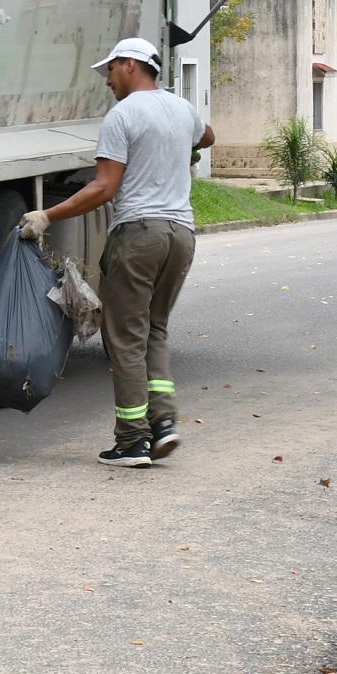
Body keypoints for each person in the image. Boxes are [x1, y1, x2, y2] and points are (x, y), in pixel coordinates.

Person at [21, 37, 211, 468]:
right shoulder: (182, 109)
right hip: (181, 236)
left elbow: (104, 187)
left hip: (139, 235)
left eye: (110, 70)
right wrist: (175, 147)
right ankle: (163, 423)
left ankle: (132, 441)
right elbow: (208, 136)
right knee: (154, 329)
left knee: (125, 339)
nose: (107, 80)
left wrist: (47, 215)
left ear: (129, 64)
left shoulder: (123, 115)